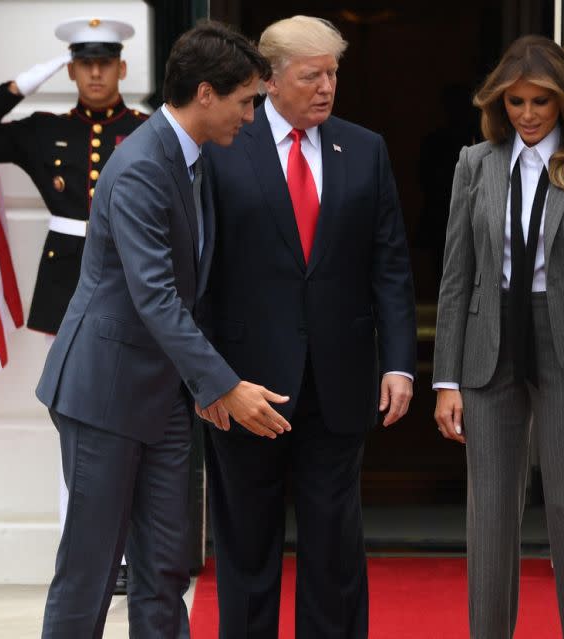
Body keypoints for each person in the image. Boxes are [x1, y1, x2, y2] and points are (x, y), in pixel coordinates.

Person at [34, 22, 288, 638]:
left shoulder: (191, 158)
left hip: (166, 397)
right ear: (206, 93)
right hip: (104, 393)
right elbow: (155, 297)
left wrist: (200, 386)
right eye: (247, 100)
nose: (253, 117)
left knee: (165, 569)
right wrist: (222, 386)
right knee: (91, 569)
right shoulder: (143, 164)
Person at [200, 15, 416, 638]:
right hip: (245, 384)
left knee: (335, 545)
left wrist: (398, 362)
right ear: (269, 81)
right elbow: (201, 272)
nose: (326, 87)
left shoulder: (364, 147)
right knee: (246, 543)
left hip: (340, 380)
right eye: (311, 75)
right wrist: (208, 378)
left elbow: (390, 265)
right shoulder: (223, 145)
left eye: (333, 73)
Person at [0, 16, 147, 594]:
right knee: (77, 419)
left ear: (122, 67)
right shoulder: (44, 130)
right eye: (84, 62)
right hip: (68, 286)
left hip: (134, 281)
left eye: (105, 61)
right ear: (72, 68)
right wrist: (24, 83)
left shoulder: (146, 129)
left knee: (133, 416)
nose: (96, 72)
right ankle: (85, 554)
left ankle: (131, 556)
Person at [432, 35, 564, 639]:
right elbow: (457, 275)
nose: (530, 114)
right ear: (499, 103)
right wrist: (446, 379)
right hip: (489, 345)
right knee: (489, 513)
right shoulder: (474, 163)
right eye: (516, 102)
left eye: (542, 101)